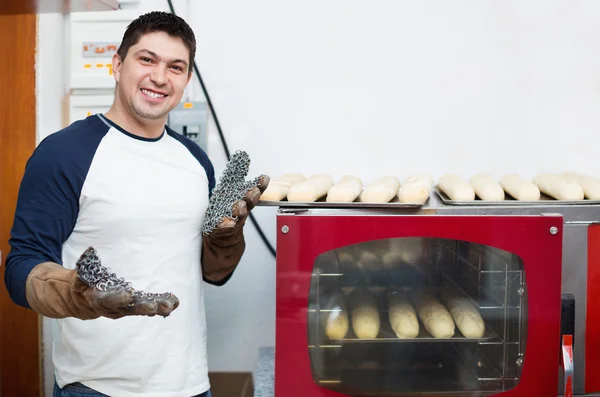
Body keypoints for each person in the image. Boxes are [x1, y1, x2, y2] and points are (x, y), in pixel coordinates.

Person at [3, 11, 268, 397]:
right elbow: (20, 267)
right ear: (117, 64)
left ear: (187, 80)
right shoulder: (64, 153)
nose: (160, 77)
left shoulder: (196, 161)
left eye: (175, 66)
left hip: (189, 384)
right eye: (147, 59)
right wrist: (78, 292)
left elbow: (212, 274)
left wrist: (226, 241)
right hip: (96, 387)